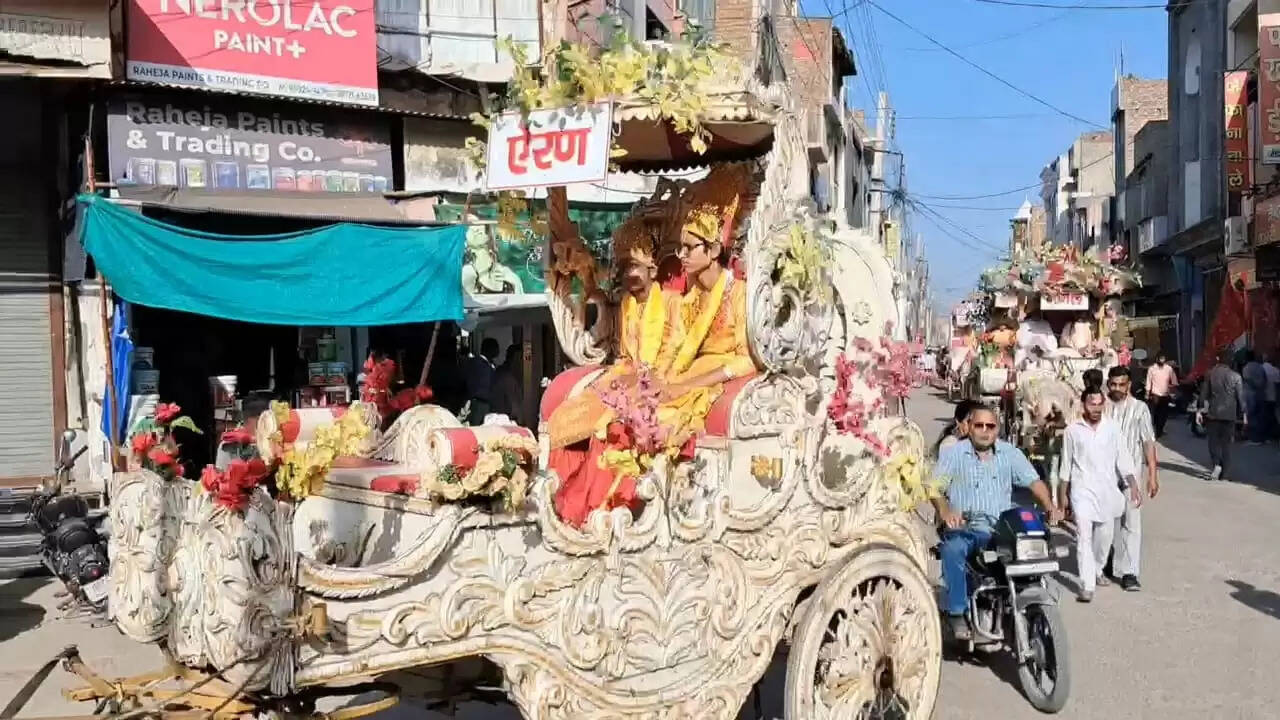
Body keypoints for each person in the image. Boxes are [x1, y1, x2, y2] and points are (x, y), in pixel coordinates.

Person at [932, 405, 1062, 639]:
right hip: (966, 527)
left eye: (990, 426)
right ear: (969, 428)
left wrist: (1050, 507)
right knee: (954, 549)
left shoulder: (1009, 453)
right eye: (979, 425)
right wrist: (945, 510)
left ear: (997, 429)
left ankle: (1026, 606)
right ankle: (957, 611)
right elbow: (934, 488)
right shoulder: (954, 454)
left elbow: (1033, 482)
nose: (984, 431)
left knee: (1035, 550)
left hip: (1001, 529)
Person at [1060, 387, 1142, 602]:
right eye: (1091, 404)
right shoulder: (1072, 430)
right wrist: (1063, 495)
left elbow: (1123, 459)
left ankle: (1096, 569)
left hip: (1107, 491)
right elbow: (1066, 465)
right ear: (1083, 405)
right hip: (1082, 491)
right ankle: (1087, 585)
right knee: (1084, 537)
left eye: (1099, 404)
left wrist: (1133, 485)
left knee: (1104, 538)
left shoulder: (1113, 429)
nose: (1095, 408)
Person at [1104, 366, 1159, 592]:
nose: (1117, 389)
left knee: (1131, 524)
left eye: (1121, 385)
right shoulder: (1100, 407)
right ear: (1108, 384)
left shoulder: (1140, 409)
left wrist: (1152, 475)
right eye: (1113, 384)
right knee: (1103, 523)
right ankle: (1104, 559)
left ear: (1128, 385)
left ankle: (1129, 573)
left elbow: (1148, 442)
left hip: (1131, 478)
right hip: (1103, 476)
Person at [1198, 348, 1247, 482]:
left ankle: (1216, 464)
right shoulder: (1236, 376)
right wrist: (1244, 414)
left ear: (1218, 359)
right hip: (1230, 414)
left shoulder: (1210, 374)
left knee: (1213, 441)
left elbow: (1203, 394)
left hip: (1213, 413)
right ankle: (1225, 474)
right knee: (1226, 444)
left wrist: (1199, 410)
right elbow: (1240, 398)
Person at [462, 337, 499, 425]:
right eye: (496, 348)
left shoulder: (485, 363)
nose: (498, 351)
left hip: (482, 402)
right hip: (479, 403)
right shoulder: (480, 364)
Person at [1144, 352, 1178, 437]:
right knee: (1156, 413)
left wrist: (1171, 387)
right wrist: (1147, 393)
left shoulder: (1169, 369)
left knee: (1164, 414)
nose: (1162, 360)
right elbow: (1148, 381)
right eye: (1160, 358)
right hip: (1155, 394)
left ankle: (1160, 429)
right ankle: (1157, 429)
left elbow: (1174, 381)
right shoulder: (1152, 369)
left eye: (1163, 358)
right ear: (1157, 359)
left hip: (1165, 394)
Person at [491, 344, 524, 426]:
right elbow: (514, 407)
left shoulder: (505, 373)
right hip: (504, 421)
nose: (522, 362)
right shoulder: (506, 376)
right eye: (520, 358)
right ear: (514, 358)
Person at [1242, 350, 1267, 444]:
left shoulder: (1246, 368)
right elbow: (1265, 379)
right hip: (1260, 393)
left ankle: (1254, 438)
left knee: (1251, 416)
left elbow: (1247, 380)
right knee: (1259, 416)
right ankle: (1261, 437)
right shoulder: (1260, 367)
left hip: (1250, 394)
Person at [1264, 352, 1280, 441]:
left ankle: (1269, 434)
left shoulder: (1261, 369)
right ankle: (1275, 434)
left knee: (1266, 416)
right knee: (1273, 416)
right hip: (1274, 397)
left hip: (1265, 396)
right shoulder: (1276, 371)